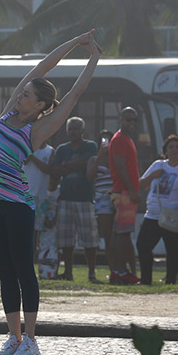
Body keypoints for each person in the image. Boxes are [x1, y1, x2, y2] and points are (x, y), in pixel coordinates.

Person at [0, 30, 101, 355]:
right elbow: (43, 66)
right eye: (22, 92)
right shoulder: (6, 114)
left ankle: (30, 339)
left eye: (27, 95)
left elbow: (74, 94)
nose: (21, 95)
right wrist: (76, 40)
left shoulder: (39, 129)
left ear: (40, 104)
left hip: (16, 206)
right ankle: (13, 337)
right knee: (4, 269)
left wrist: (94, 57)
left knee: (23, 270)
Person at [50, 117, 100, 281]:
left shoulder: (90, 146)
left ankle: (91, 273)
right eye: (70, 129)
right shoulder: (62, 149)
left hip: (85, 198)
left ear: (82, 130)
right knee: (66, 238)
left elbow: (88, 162)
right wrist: (74, 164)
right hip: (65, 198)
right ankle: (68, 272)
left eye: (76, 128)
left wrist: (66, 165)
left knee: (89, 238)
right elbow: (56, 169)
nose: (73, 132)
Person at [136, 135, 178, 285]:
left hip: (172, 214)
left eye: (177, 147)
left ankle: (171, 281)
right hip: (153, 214)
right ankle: (146, 280)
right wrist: (153, 176)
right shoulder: (158, 165)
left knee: (173, 250)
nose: (174, 150)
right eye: (170, 147)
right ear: (165, 151)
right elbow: (141, 185)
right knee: (143, 245)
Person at [108, 107, 141, 285]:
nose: (132, 123)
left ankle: (119, 271)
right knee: (122, 234)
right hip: (124, 192)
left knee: (123, 234)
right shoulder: (120, 139)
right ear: (121, 120)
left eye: (135, 120)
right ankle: (119, 272)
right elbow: (120, 168)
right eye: (128, 119)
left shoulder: (125, 139)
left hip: (123, 191)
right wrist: (133, 190)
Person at [86, 129, 116, 273]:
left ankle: (118, 268)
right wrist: (99, 157)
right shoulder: (94, 159)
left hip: (116, 197)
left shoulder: (116, 157)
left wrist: (110, 156)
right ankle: (111, 270)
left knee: (119, 235)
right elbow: (90, 177)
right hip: (102, 198)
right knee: (107, 235)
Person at [24, 140, 55, 250]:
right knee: (22, 230)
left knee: (35, 232)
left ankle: (33, 259)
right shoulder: (25, 147)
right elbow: (22, 162)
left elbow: (48, 170)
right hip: (24, 196)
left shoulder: (50, 151)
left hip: (41, 197)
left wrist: (33, 157)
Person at [36, 175, 60, 279]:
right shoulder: (43, 191)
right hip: (44, 224)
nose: (53, 181)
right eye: (52, 178)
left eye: (56, 178)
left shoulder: (59, 192)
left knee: (55, 249)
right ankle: (42, 272)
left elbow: (59, 207)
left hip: (55, 225)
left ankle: (54, 272)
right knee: (42, 249)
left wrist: (54, 220)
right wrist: (44, 220)